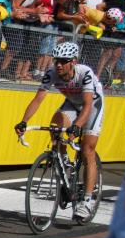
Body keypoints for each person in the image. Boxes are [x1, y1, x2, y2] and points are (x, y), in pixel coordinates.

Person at [14, 41, 104, 220]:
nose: (59, 65)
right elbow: (37, 100)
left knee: (88, 150)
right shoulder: (51, 73)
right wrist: (23, 122)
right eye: (56, 61)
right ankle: (65, 162)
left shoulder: (84, 73)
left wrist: (77, 126)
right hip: (72, 102)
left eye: (63, 61)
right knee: (56, 124)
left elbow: (87, 106)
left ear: (73, 62)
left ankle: (86, 201)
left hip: (92, 105)